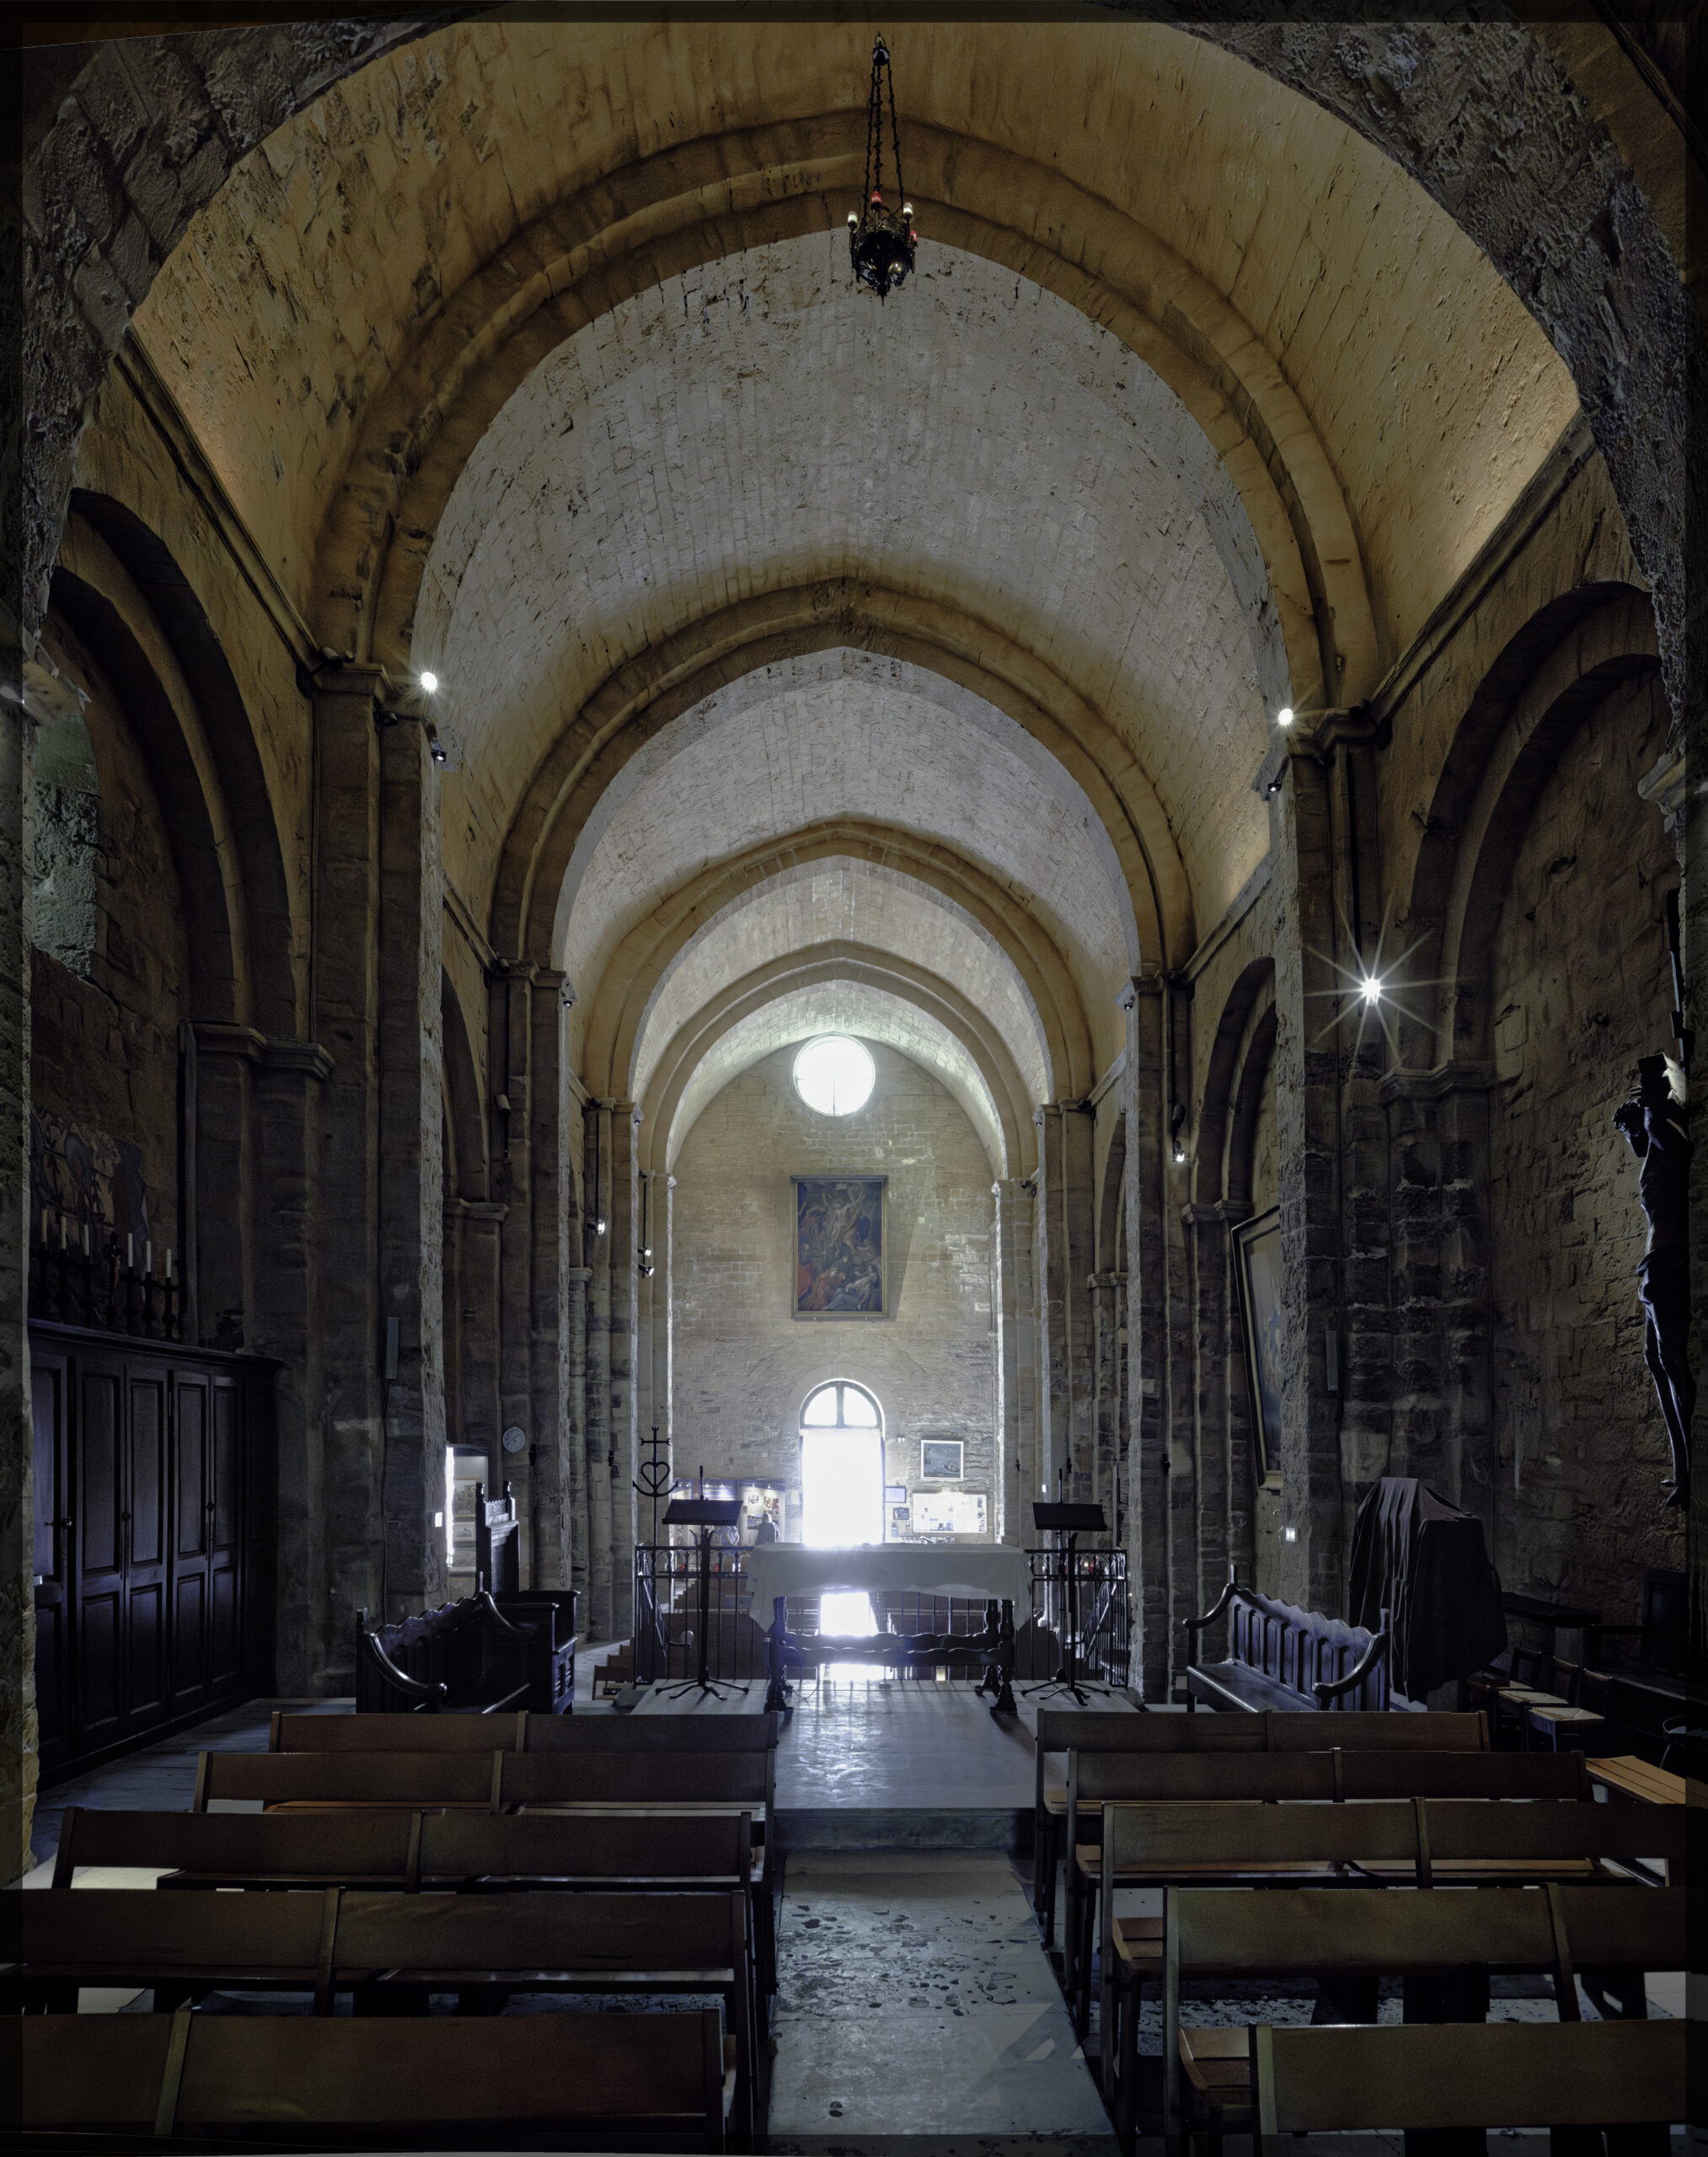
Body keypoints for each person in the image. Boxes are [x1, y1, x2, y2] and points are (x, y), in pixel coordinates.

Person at [1614, 1052, 1692, 1508]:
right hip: (1655, 1264)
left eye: (1630, 1132)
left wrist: (1650, 1090)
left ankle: (1690, 1473)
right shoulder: (1655, 1155)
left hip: (1668, 1259)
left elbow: (1658, 1122)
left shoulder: (1665, 1141)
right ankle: (1680, 1467)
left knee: (1674, 1362)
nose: (1631, 1142)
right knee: (1654, 1359)